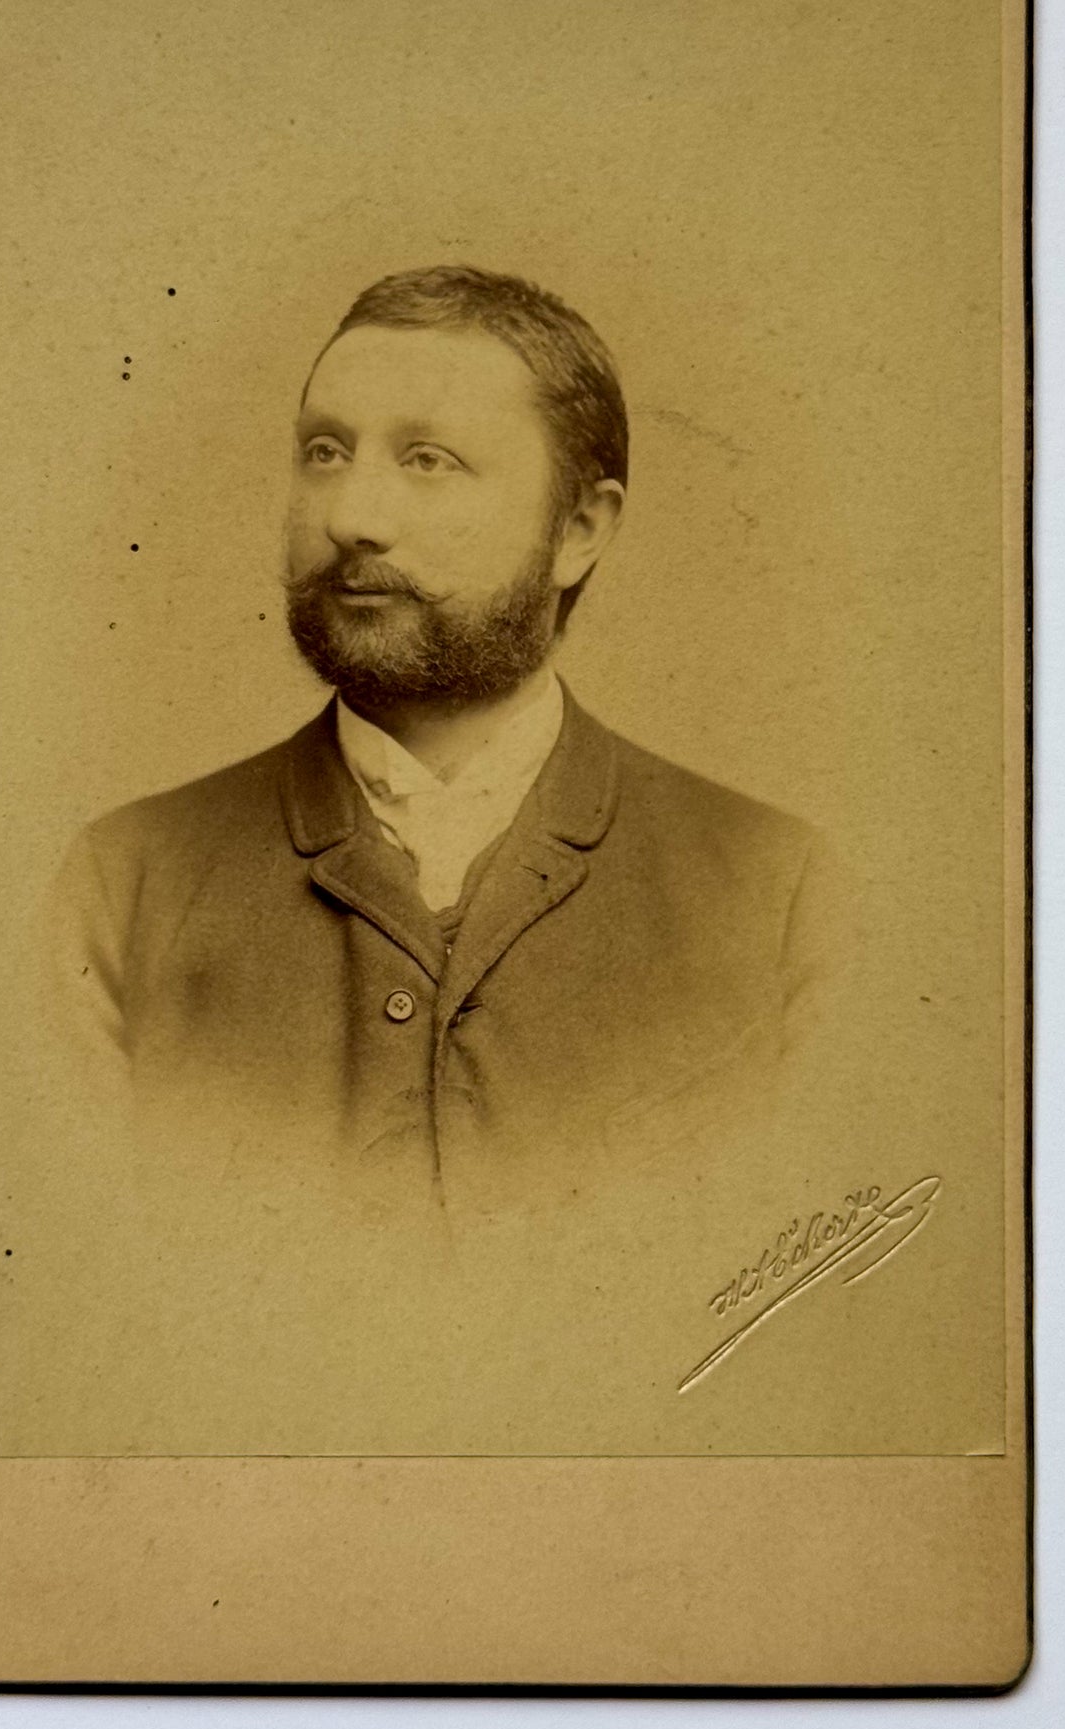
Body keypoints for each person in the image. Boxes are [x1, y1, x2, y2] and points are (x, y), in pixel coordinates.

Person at [45, 265, 841, 1216]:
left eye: (428, 460)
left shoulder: (777, 894)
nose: (351, 518)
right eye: (326, 452)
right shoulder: (124, 886)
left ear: (579, 530)